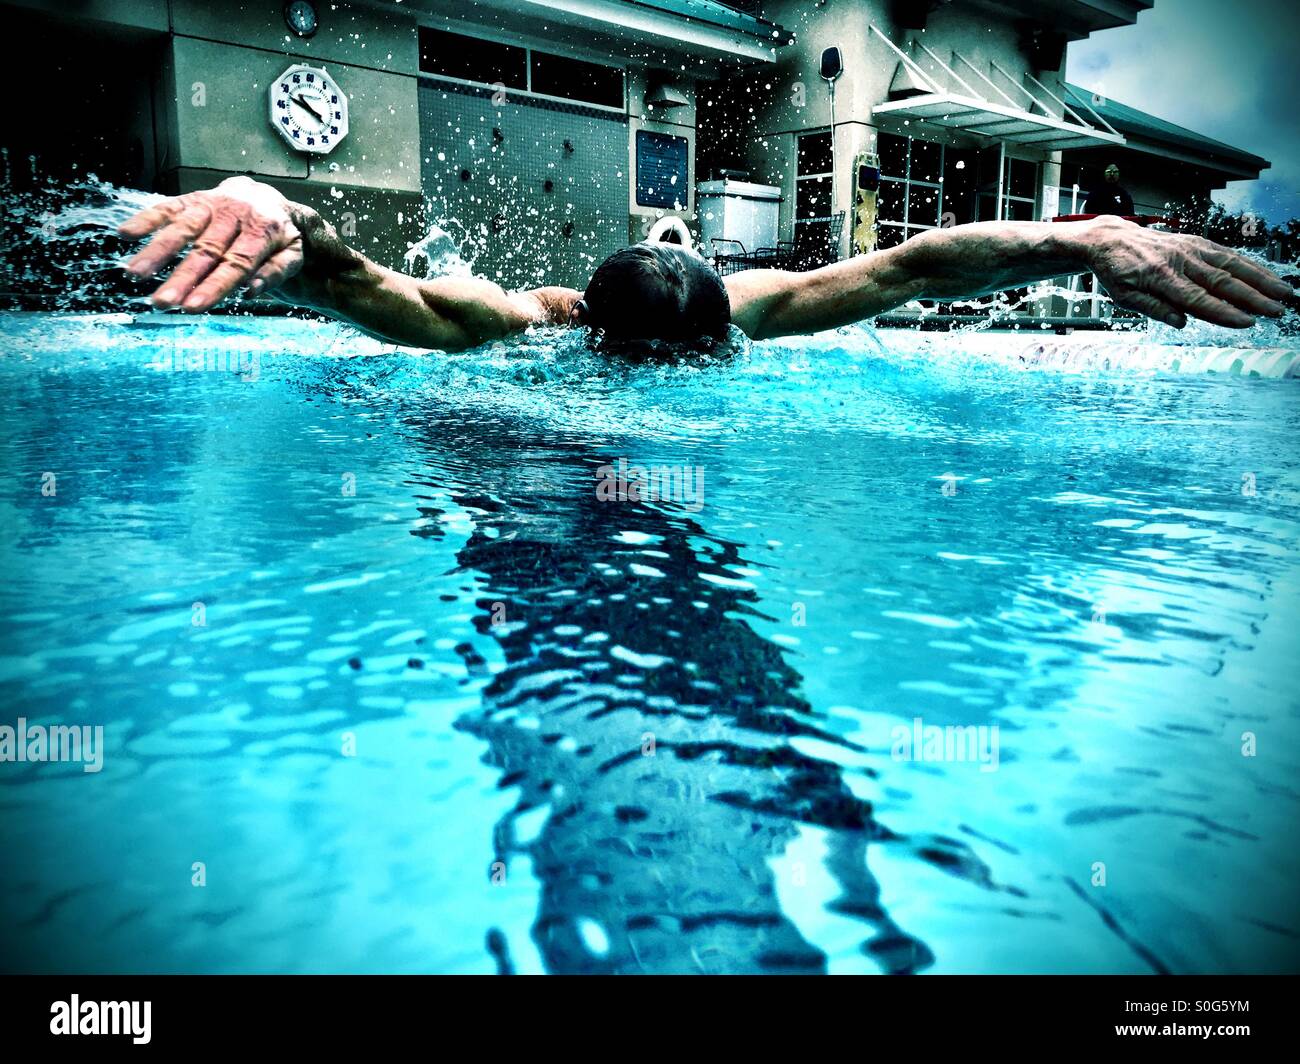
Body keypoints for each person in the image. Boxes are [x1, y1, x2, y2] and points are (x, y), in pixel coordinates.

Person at [117, 175, 1289, 350]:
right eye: (674, 235)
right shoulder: (751, 318)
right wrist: (1069, 237)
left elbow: (356, 282)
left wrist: (275, 206)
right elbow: (918, 268)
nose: (679, 238)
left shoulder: (520, 323)